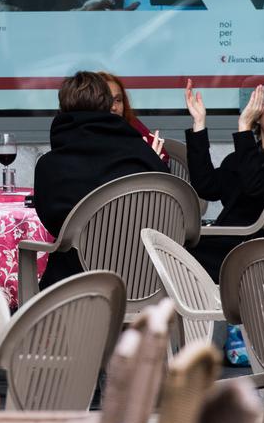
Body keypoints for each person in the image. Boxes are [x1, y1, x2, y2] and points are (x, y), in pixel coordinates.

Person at [34, 71, 169, 288]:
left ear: (62, 110)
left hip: (78, 285)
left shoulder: (50, 166)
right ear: (108, 106)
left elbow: (54, 225)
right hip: (148, 281)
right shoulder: (142, 154)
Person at [183, 79, 264, 280]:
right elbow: (206, 187)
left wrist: (244, 127)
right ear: (259, 117)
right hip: (231, 246)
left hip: (248, 251)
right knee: (169, 248)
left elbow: (256, 186)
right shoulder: (247, 156)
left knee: (173, 257)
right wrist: (199, 124)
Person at [104, 72, 167, 162]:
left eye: (118, 100)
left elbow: (162, 155)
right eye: (106, 100)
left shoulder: (130, 123)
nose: (114, 107)